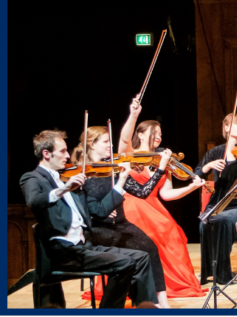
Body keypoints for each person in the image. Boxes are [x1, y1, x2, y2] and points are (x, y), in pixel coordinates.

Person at [20, 129, 157, 308]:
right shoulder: (33, 178)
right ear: (46, 154)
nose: (68, 156)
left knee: (142, 257)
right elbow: (34, 201)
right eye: (62, 151)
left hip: (85, 246)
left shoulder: (70, 178)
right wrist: (64, 189)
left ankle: (145, 308)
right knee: (126, 263)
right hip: (64, 252)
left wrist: (121, 180)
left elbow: (100, 210)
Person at [116, 97, 209, 298]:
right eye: (154, 133)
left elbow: (166, 194)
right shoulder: (130, 155)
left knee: (173, 234)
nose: (158, 137)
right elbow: (124, 140)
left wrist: (192, 188)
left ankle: (168, 285)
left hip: (154, 208)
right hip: (132, 208)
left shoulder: (163, 161)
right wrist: (134, 115)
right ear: (139, 134)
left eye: (160, 134)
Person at [71, 127, 167, 307]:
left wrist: (160, 170)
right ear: (92, 144)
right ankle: (142, 301)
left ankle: (156, 302)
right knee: (137, 254)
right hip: (98, 228)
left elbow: (142, 191)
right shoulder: (83, 173)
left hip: (120, 224)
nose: (110, 146)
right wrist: (107, 206)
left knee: (149, 247)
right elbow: (92, 208)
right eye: (106, 142)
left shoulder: (113, 167)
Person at [195, 112, 237, 285]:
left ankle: (223, 273)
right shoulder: (215, 152)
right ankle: (208, 272)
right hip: (217, 203)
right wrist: (208, 166)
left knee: (222, 220)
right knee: (205, 222)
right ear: (226, 127)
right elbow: (196, 174)